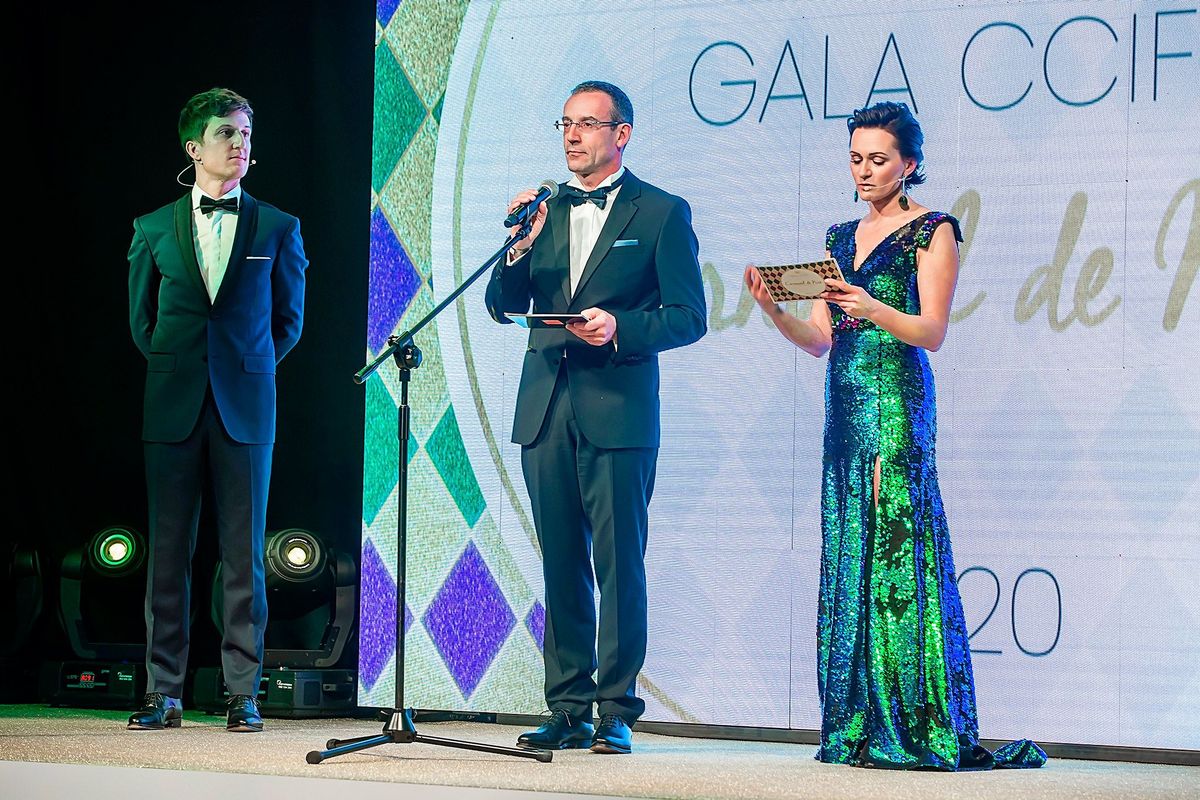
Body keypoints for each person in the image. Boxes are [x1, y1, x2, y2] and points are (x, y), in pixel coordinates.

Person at [744, 101, 1044, 770]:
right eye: (856, 159)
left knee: (896, 549)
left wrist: (872, 305)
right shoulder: (838, 235)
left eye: (878, 160)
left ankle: (909, 721)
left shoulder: (933, 231)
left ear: (908, 164)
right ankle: (857, 721)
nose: (864, 171)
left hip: (896, 406)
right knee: (853, 546)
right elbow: (819, 339)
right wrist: (772, 310)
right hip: (844, 410)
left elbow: (931, 331)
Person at [485, 81, 707, 754]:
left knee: (618, 564)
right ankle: (567, 706)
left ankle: (616, 708)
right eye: (565, 124)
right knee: (561, 563)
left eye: (587, 124)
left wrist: (621, 328)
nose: (573, 136)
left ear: (622, 134)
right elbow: (500, 303)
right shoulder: (544, 210)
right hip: (546, 405)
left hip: (618, 407)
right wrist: (519, 246)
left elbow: (689, 317)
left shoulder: (661, 212)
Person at [126, 87, 307, 733]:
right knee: (168, 553)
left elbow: (288, 323)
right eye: (226, 133)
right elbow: (142, 324)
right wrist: (184, 369)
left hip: (247, 407)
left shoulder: (279, 227)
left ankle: (242, 692)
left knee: (243, 555)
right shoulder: (152, 228)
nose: (238, 144)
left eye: (245, 134)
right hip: (172, 406)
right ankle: (164, 692)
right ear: (193, 147)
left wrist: (243, 369)